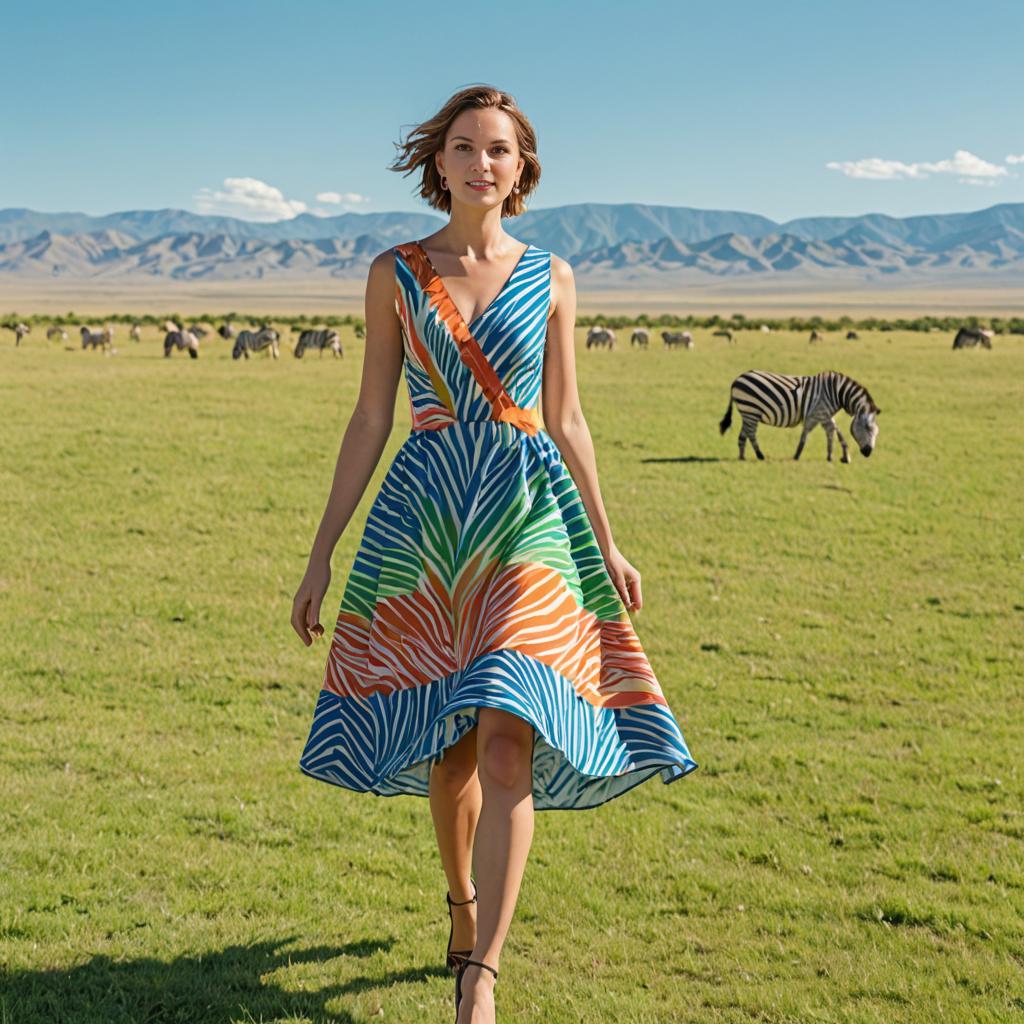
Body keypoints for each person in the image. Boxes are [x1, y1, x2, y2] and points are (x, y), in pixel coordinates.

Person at [291, 83, 698, 1024]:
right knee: (454, 754)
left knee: (511, 738)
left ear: (523, 169)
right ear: (439, 162)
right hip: (429, 529)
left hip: (527, 523)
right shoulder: (394, 272)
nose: (482, 162)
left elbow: (567, 419)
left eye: (500, 150)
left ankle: (483, 977)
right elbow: (369, 416)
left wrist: (608, 539)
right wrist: (321, 554)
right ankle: (462, 901)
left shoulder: (552, 275)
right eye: (466, 146)